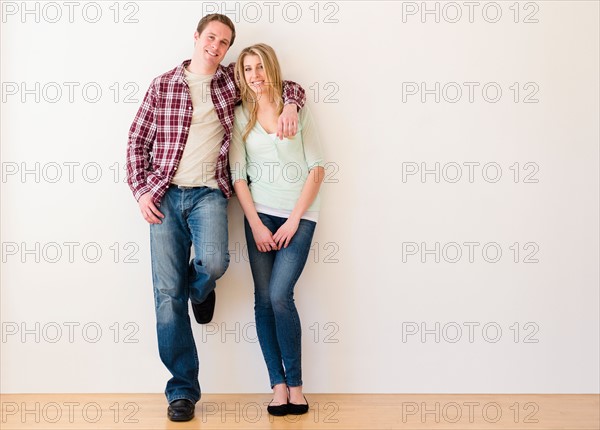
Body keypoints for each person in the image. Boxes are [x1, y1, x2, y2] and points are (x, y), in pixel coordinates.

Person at [126, 15, 305, 422]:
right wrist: (140, 193)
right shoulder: (164, 84)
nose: (216, 46)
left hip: (209, 194)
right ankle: (182, 391)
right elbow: (136, 142)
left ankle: (201, 288)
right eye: (211, 38)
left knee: (215, 263)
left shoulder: (230, 83)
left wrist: (292, 102)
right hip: (164, 196)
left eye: (224, 42)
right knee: (167, 299)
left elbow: (280, 85)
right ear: (196, 37)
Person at [229, 43, 325, 417]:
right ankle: (278, 386)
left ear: (272, 68)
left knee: (281, 294)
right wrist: (255, 223)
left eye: (260, 67)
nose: (254, 76)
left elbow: (317, 167)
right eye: (247, 69)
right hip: (259, 216)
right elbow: (238, 174)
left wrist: (294, 219)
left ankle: (297, 386)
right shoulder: (240, 115)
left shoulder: (295, 108)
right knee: (263, 299)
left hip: (299, 215)